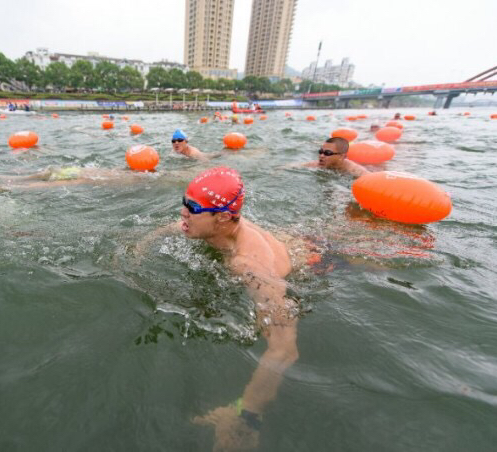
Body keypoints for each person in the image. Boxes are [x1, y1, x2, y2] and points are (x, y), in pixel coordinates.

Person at [139, 167, 300, 450]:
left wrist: (247, 413)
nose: (182, 213)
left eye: (192, 207)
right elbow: (176, 226)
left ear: (223, 217)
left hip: (319, 266)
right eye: (184, 202)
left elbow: (284, 349)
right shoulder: (217, 222)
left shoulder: (248, 265)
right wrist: (142, 246)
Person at [300, 137, 370, 177]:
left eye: (327, 153)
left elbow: (371, 180)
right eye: (320, 152)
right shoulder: (315, 165)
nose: (321, 156)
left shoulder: (354, 170)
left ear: (341, 156)